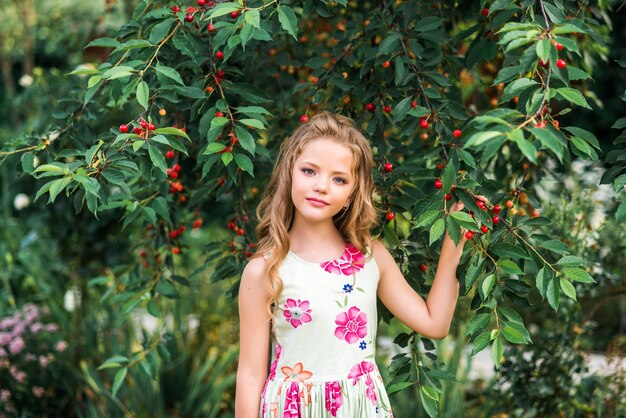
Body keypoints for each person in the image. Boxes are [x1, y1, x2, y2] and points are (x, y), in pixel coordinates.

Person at [235, 111, 484, 417]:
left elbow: (435, 323)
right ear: (290, 173)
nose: (322, 186)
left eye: (338, 178)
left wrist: (455, 240)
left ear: (352, 193)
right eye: (309, 171)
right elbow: (249, 374)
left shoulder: (370, 258)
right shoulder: (264, 270)